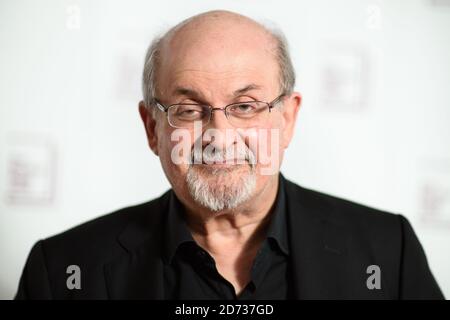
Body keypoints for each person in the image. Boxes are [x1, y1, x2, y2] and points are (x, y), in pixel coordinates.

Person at [15, 10, 444, 300]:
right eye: (188, 110)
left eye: (245, 106)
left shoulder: (388, 252)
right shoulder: (63, 271)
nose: (219, 137)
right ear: (152, 128)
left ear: (288, 118)